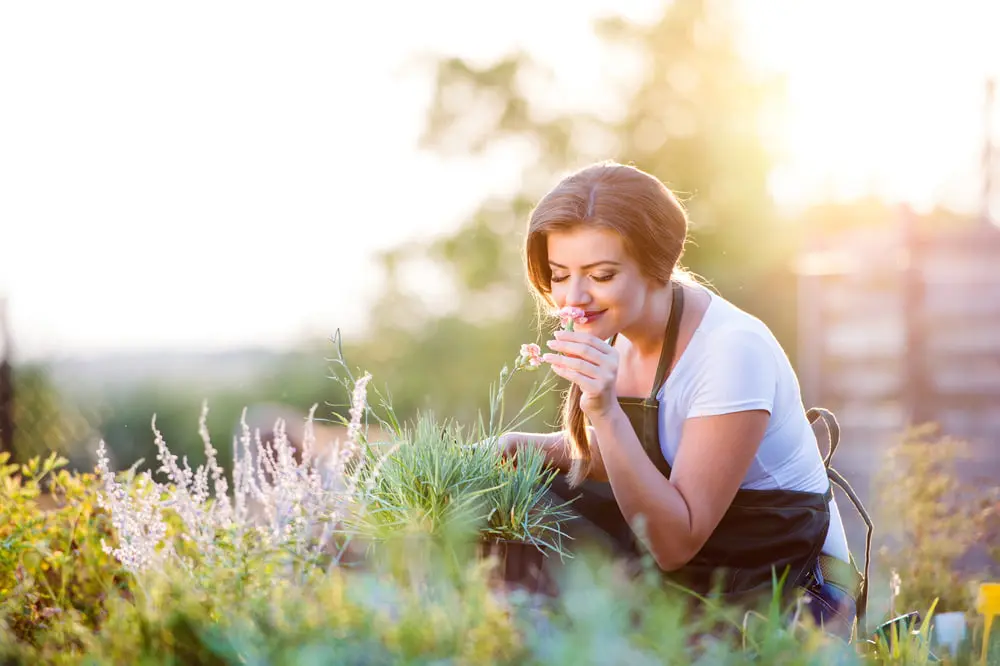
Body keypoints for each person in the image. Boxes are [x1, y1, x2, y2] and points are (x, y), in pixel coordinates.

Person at [498, 161, 870, 641]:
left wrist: (604, 408)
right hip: (703, 574)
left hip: (785, 594)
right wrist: (511, 448)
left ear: (657, 265)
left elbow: (674, 543)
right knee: (514, 504)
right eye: (559, 274)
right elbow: (632, 458)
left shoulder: (731, 351)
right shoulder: (618, 329)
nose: (575, 297)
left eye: (601, 274)